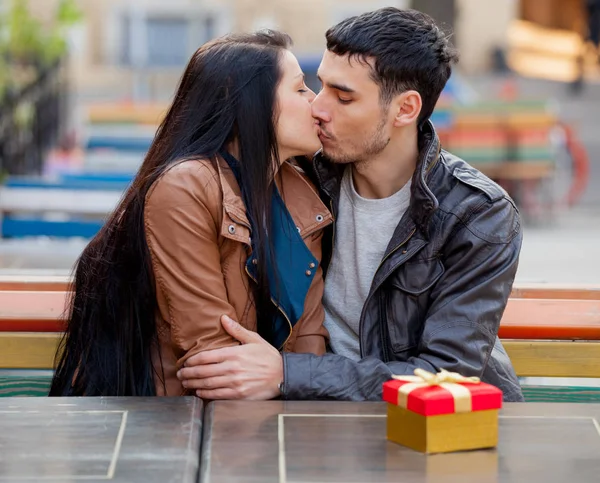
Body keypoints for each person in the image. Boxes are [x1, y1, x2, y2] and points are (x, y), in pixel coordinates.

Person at [177, 8, 525, 403]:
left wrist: (289, 373)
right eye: (318, 85)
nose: (318, 108)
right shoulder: (301, 174)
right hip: (311, 418)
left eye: (344, 97)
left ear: (406, 109)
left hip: (433, 427)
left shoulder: (477, 214)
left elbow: (444, 377)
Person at [49, 30, 332, 397]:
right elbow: (212, 356)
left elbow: (311, 345)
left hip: (269, 418)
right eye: (300, 89)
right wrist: (289, 378)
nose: (316, 103)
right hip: (175, 424)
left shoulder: (301, 195)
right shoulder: (185, 188)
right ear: (249, 102)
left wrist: (290, 380)